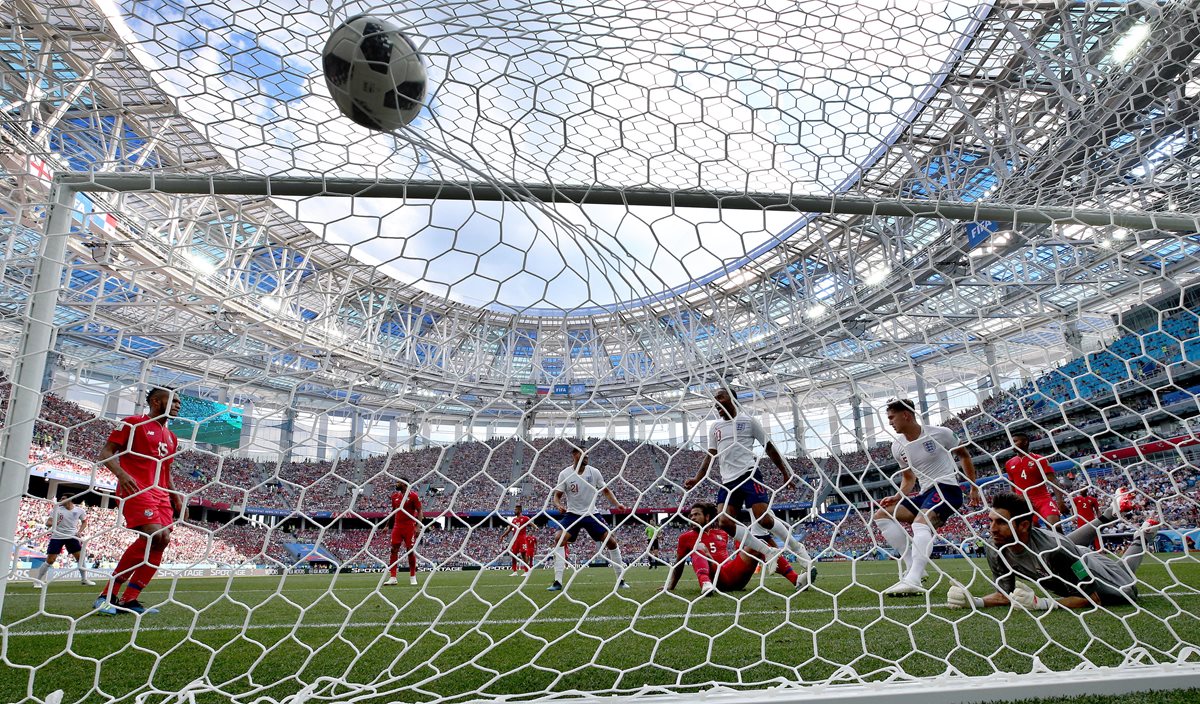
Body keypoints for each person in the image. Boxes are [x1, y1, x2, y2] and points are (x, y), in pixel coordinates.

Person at [683, 388, 814, 586]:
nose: (716, 402)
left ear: (732, 399)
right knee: (724, 522)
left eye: (720, 397)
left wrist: (785, 472)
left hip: (749, 474)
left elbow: (768, 446)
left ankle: (797, 547)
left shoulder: (749, 421)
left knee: (763, 519)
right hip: (728, 483)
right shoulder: (715, 427)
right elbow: (710, 455)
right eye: (715, 399)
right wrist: (697, 478)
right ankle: (767, 551)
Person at [947, 491, 1160, 610]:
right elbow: (1005, 595)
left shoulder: (1054, 550)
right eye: (991, 521)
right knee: (1063, 544)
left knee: (1125, 576)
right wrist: (974, 601)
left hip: (1107, 583)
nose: (992, 529)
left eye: (1001, 523)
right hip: (1075, 552)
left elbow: (1092, 598)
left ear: (1023, 525)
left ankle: (1144, 536)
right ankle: (1110, 513)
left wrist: (1042, 603)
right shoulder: (995, 548)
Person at [874, 398, 979, 597]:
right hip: (925, 493)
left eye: (891, 417)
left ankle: (913, 580)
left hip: (947, 489)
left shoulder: (941, 433)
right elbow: (908, 478)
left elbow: (964, 456)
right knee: (882, 514)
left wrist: (973, 487)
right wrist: (897, 496)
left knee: (919, 524)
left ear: (906, 415)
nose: (889, 422)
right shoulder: (897, 447)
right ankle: (915, 568)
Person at [94, 387, 182, 615]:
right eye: (172, 401)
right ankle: (106, 596)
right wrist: (122, 475)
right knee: (155, 534)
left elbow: (167, 470)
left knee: (162, 541)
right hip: (136, 489)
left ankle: (129, 599)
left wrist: (176, 496)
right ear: (155, 401)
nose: (177, 405)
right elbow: (106, 453)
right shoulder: (132, 423)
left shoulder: (172, 437)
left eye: (179, 402)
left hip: (161, 493)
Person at [663, 502, 812, 596]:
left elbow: (740, 548)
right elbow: (678, 564)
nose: (692, 518)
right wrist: (669, 587)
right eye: (691, 515)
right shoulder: (685, 537)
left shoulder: (722, 532)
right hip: (715, 579)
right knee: (699, 548)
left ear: (707, 517)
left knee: (757, 546)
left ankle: (796, 580)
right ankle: (705, 584)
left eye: (696, 514)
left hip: (733, 574)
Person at [547, 446, 629, 592]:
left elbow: (606, 491)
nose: (586, 456)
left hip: (592, 514)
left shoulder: (594, 472)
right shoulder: (565, 474)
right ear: (574, 454)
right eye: (582, 453)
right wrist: (558, 505)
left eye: (587, 454)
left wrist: (617, 504)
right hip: (573, 514)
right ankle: (557, 582)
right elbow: (557, 495)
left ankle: (620, 580)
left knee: (611, 541)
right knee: (559, 537)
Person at [1004, 432, 1068, 528]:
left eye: (1015, 441)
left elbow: (1053, 481)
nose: (1012, 444)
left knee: (1055, 526)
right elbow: (1012, 486)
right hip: (1024, 502)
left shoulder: (1039, 459)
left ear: (1025, 442)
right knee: (1032, 532)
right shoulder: (1009, 463)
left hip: (1042, 499)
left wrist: (1060, 501)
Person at [34, 497, 94, 587]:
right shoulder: (57, 509)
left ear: (70, 500)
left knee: (80, 558)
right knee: (50, 560)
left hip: (71, 536)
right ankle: (37, 581)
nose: (61, 500)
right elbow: (48, 522)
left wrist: (79, 532)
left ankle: (84, 579)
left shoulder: (79, 511)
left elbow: (84, 522)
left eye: (63, 499)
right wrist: (53, 523)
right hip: (57, 536)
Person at [386, 480, 422, 586]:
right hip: (397, 526)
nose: (396, 484)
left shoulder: (413, 496)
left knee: (410, 550)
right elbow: (394, 511)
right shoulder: (395, 496)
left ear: (404, 485)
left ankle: (412, 576)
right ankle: (393, 577)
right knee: (393, 549)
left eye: (399, 483)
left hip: (409, 526)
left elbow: (420, 510)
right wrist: (387, 524)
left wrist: (418, 526)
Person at [500, 504, 533, 575]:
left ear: (520, 510)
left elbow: (531, 523)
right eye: (514, 509)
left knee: (523, 554)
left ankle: (526, 571)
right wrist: (503, 536)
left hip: (522, 538)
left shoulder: (525, 518)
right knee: (513, 554)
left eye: (516, 509)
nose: (514, 511)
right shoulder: (514, 520)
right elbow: (509, 529)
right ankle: (515, 571)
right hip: (515, 539)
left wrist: (535, 527)